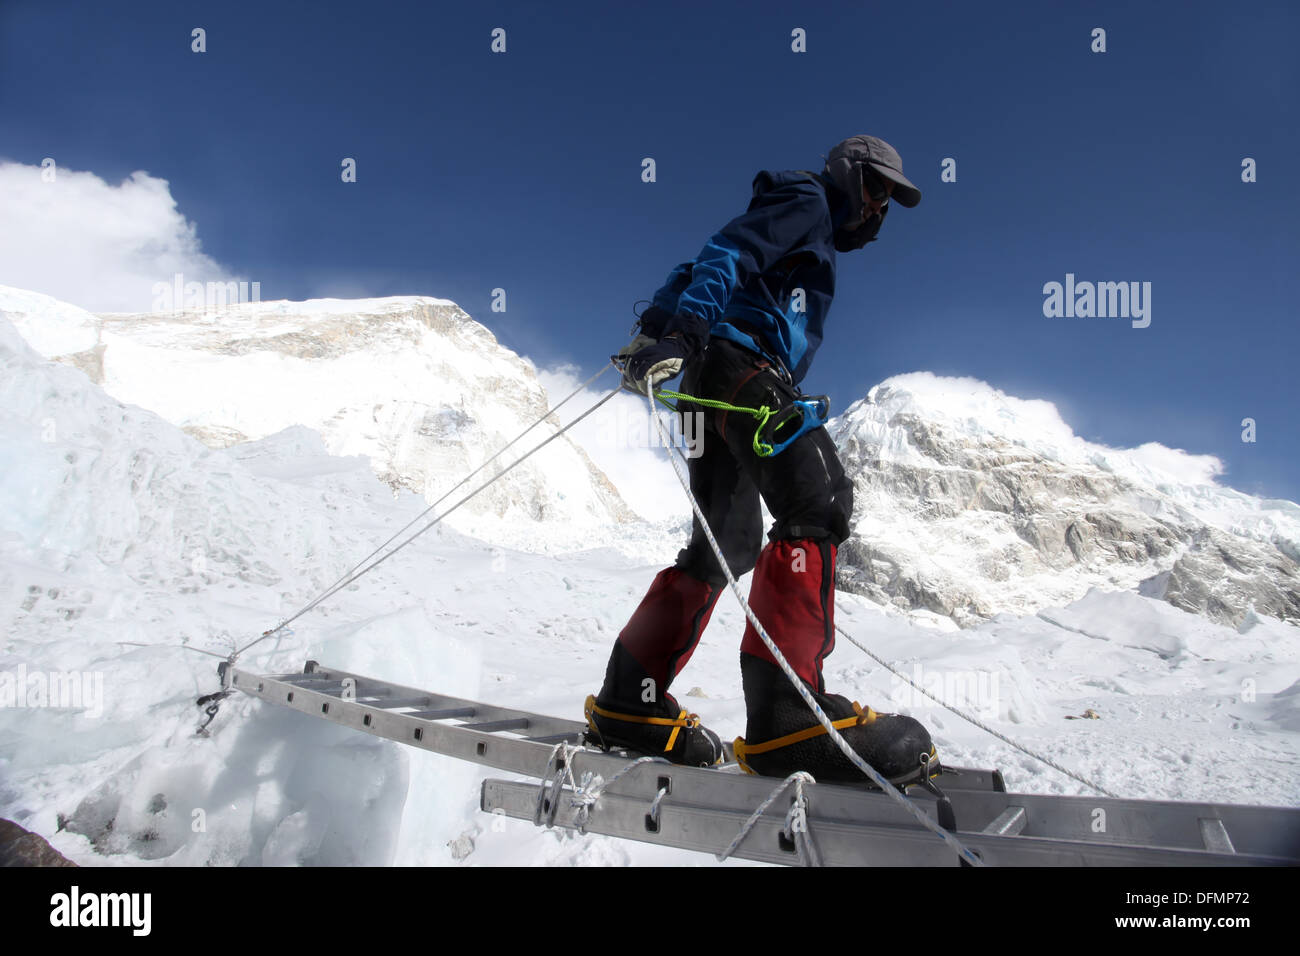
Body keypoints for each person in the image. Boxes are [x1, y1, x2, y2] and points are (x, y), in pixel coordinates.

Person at [584, 135, 937, 785]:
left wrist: (661, 328)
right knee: (819, 498)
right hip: (739, 366)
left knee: (725, 543)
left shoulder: (801, 213)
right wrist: (688, 330)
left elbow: (696, 264)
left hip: (701, 381)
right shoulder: (808, 199)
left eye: (891, 198)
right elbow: (729, 253)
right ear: (848, 175)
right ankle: (788, 718)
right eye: (878, 188)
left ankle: (629, 701)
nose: (882, 208)